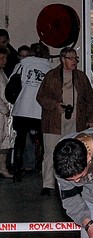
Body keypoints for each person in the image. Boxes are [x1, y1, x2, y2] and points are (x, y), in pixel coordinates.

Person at [37, 47, 93, 196]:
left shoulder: (81, 77)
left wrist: (91, 120)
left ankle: (74, 182)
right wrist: (55, 105)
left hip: (77, 122)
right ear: (62, 59)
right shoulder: (51, 76)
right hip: (53, 122)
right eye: (71, 58)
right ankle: (48, 184)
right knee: (51, 152)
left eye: (75, 58)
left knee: (75, 152)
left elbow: (90, 99)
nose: (74, 61)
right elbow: (41, 97)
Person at [10, 42, 51, 182]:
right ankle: (45, 172)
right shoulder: (49, 67)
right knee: (45, 142)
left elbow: (13, 82)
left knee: (20, 140)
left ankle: (16, 171)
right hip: (40, 110)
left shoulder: (23, 63)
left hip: (22, 107)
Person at [0, 47, 14, 178]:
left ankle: (2, 167)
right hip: (2, 112)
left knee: (4, 141)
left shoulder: (2, 73)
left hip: (4, 113)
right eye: (2, 58)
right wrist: (4, 109)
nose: (4, 61)